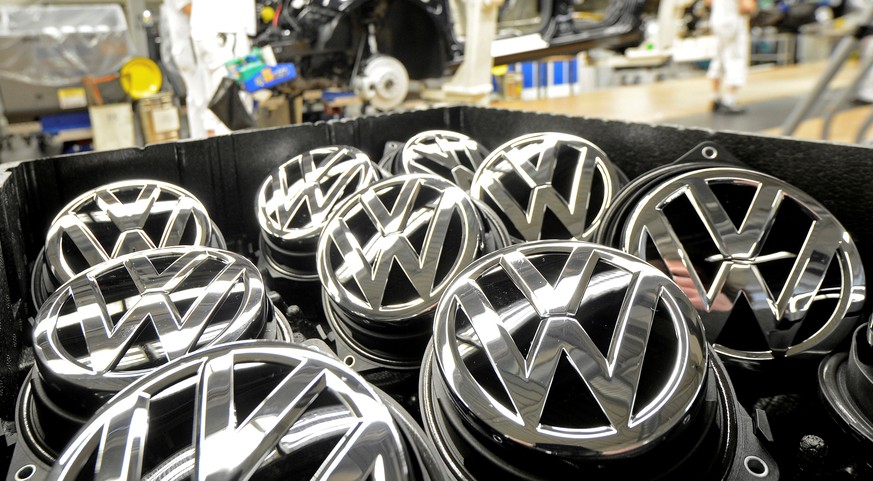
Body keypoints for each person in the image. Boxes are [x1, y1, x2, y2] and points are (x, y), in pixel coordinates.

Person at [189, 0, 256, 136]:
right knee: (229, 99)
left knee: (215, 97)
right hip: (224, 30)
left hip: (214, 30)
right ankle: (227, 151)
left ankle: (216, 150)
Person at [707, 0, 756, 114]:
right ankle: (729, 101)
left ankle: (714, 97)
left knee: (718, 59)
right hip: (733, 23)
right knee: (736, 59)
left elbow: (708, 2)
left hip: (717, 20)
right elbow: (746, 6)